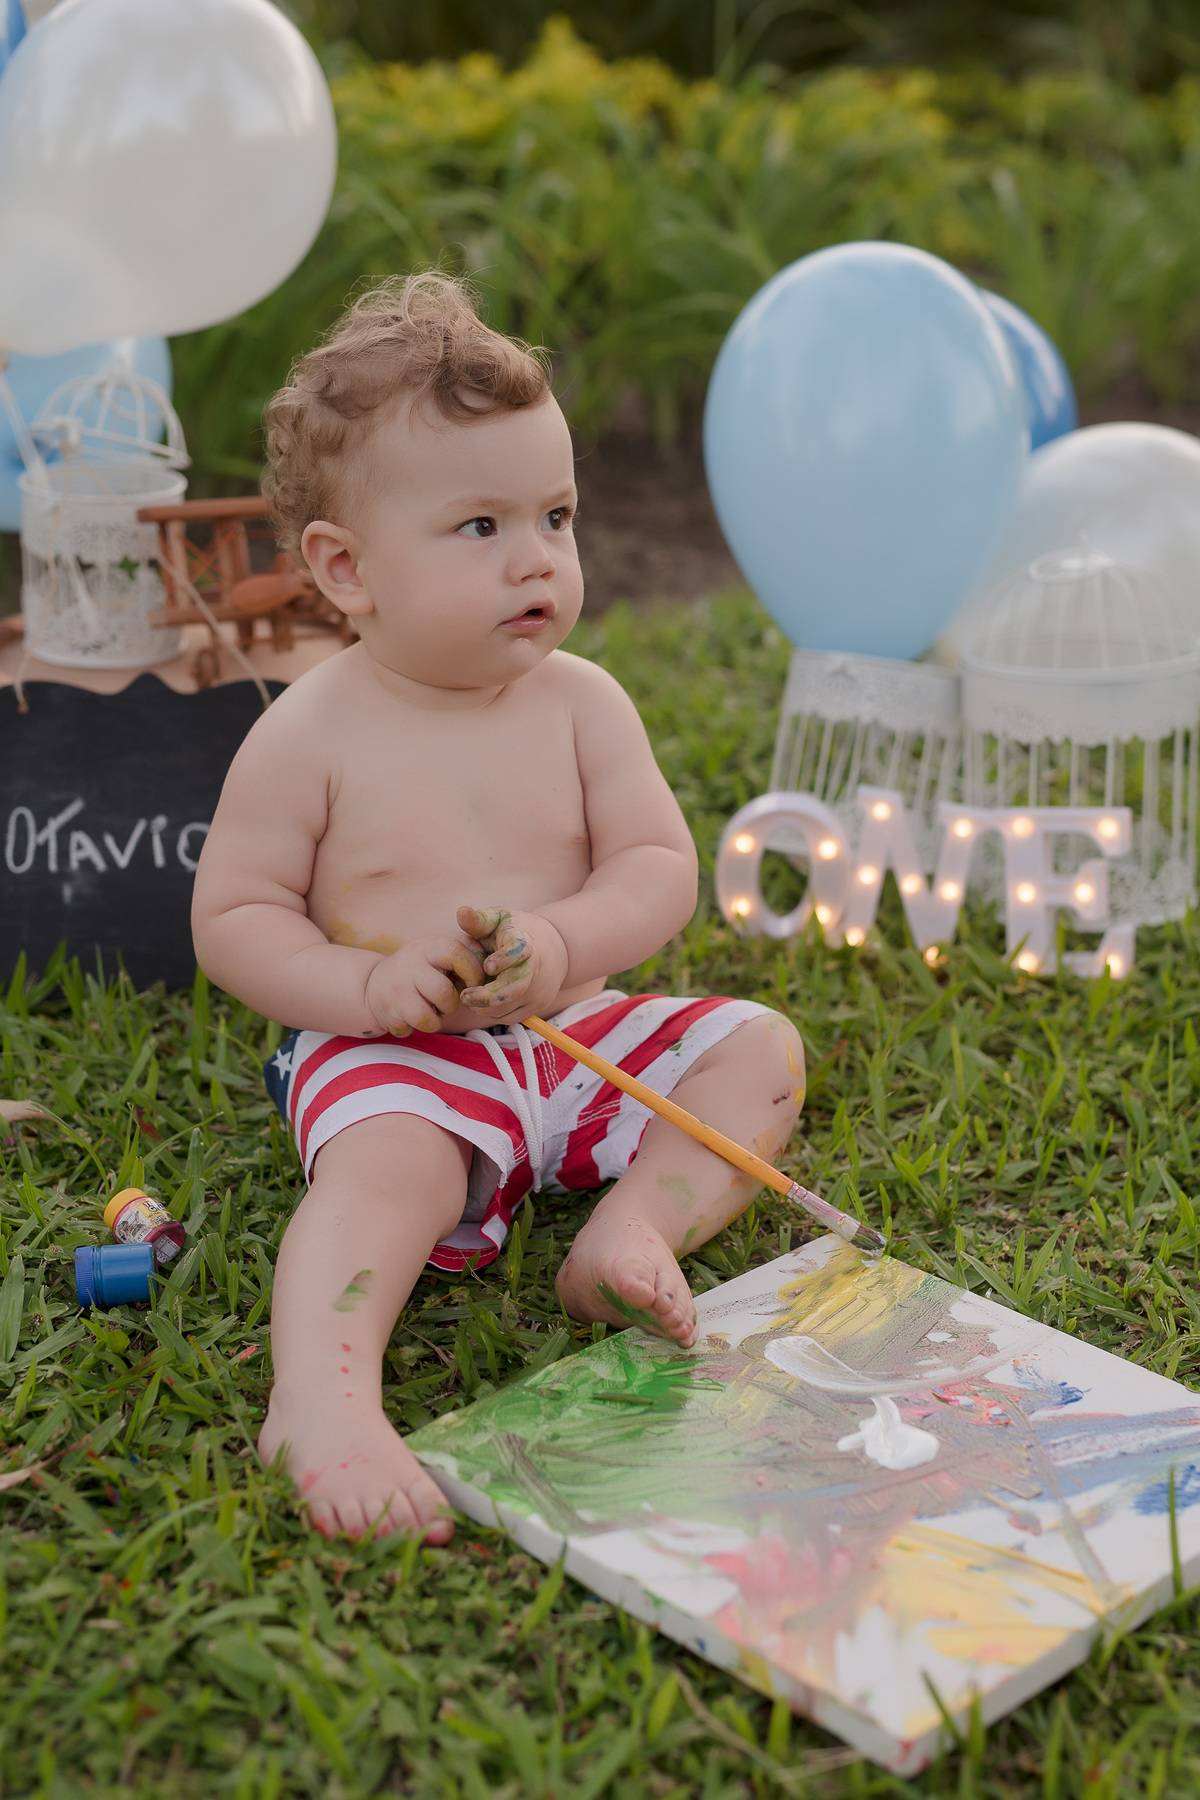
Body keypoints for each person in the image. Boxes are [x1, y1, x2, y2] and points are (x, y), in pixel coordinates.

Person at [191, 274, 806, 1544]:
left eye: (557, 514)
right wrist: (367, 991)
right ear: (345, 570)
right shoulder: (309, 734)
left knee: (759, 1055)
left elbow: (656, 866)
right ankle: (322, 1395)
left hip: (572, 1040)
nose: (537, 556)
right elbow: (236, 918)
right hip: (403, 1061)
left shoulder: (583, 703)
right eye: (480, 526)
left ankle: (630, 1237)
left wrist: (569, 943)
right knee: (382, 1177)